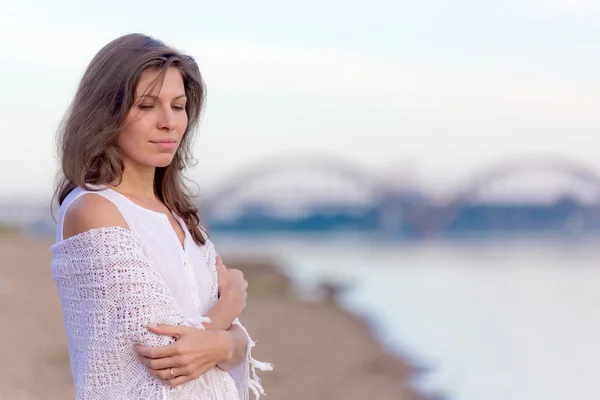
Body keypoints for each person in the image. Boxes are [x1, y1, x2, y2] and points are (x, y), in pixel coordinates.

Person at [49, 33, 272, 400]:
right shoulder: (94, 209)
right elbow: (167, 351)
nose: (169, 122)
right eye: (147, 106)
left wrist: (224, 343)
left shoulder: (183, 219)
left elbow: (219, 342)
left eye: (179, 105)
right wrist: (231, 304)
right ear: (106, 114)